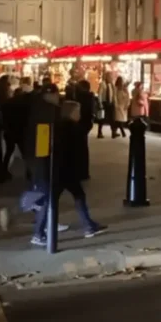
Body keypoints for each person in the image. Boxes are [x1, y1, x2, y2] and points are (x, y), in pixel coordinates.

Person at [29, 101, 106, 245]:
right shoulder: (72, 128)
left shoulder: (55, 126)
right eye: (77, 112)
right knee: (60, 199)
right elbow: (76, 152)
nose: (79, 115)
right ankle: (39, 234)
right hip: (64, 170)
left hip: (56, 170)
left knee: (70, 197)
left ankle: (88, 225)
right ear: (71, 113)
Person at [74, 80, 96, 181]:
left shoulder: (83, 97)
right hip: (86, 123)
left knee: (80, 147)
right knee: (82, 147)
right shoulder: (89, 97)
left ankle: (81, 171)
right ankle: (83, 171)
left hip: (82, 123)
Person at [98, 73, 115, 139]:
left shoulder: (111, 85)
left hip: (110, 103)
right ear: (106, 77)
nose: (111, 78)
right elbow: (100, 94)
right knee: (102, 118)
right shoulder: (103, 84)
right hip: (104, 103)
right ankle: (99, 132)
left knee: (112, 118)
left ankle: (113, 132)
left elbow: (112, 94)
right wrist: (100, 103)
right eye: (110, 77)